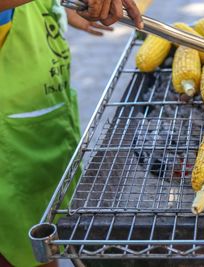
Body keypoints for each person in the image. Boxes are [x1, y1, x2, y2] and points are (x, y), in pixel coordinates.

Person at [0, 1, 143, 266]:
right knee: (20, 251)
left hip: (46, 120)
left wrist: (59, 8)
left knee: (46, 243)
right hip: (9, 149)